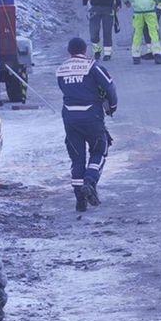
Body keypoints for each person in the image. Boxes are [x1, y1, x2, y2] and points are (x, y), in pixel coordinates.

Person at [57, 37, 118, 211]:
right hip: (92, 116)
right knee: (100, 149)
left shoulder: (61, 69)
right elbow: (110, 88)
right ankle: (90, 182)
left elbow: (64, 89)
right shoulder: (93, 66)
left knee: (77, 159)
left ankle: (80, 201)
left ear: (69, 51)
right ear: (85, 50)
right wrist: (111, 107)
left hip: (69, 118)